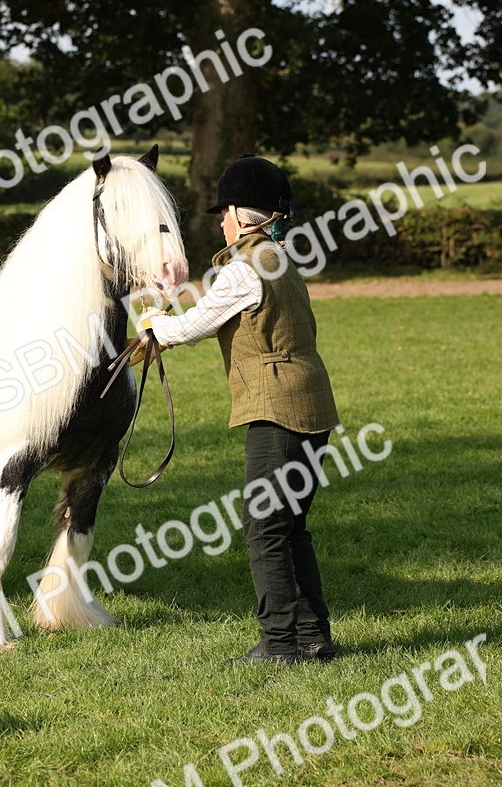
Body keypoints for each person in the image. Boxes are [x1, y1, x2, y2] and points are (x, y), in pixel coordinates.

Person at [143, 154, 340, 665]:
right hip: (313, 402)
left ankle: (279, 645)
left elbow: (191, 326)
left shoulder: (242, 270)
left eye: (222, 214)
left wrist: (152, 326)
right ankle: (313, 638)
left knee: (264, 527)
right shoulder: (281, 257)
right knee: (290, 525)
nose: (221, 223)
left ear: (235, 212)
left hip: (277, 409)